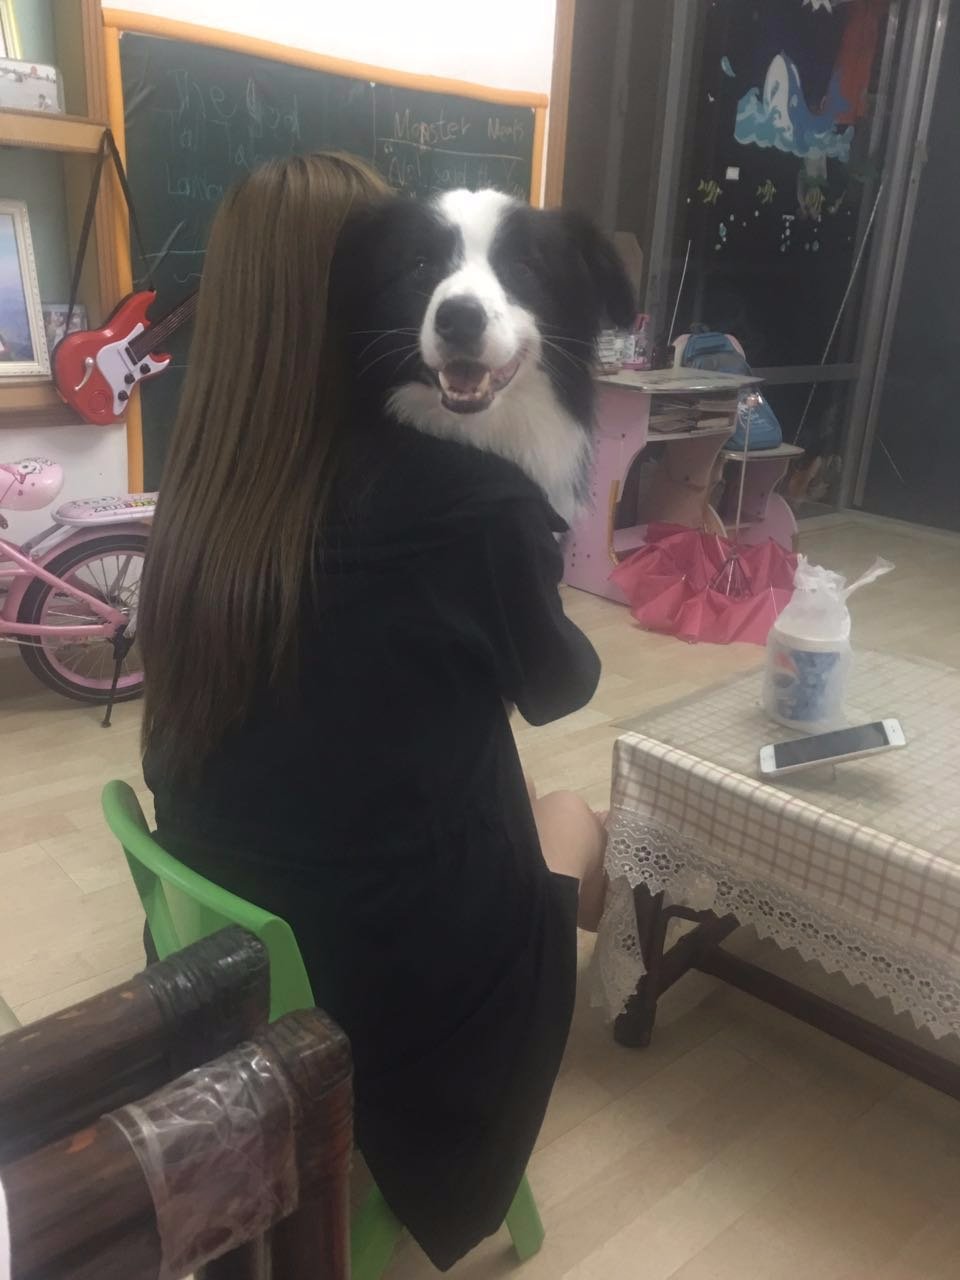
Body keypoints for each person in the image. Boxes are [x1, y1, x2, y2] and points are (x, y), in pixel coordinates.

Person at [139, 153, 605, 1271]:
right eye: (403, 265)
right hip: (386, 1014)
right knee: (578, 816)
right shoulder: (463, 498)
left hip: (218, 961)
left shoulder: (198, 494)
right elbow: (558, 687)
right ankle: (550, 1043)